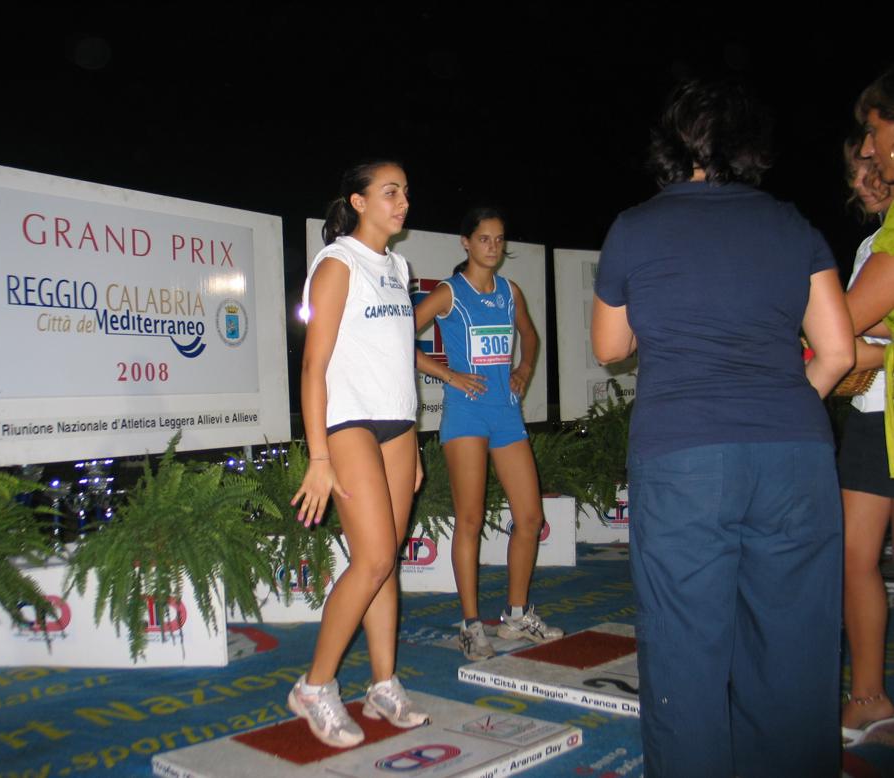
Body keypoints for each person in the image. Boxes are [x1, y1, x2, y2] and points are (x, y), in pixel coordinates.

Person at [590, 80, 853, 776]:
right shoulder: (792, 224)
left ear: (671, 146)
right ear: (749, 146)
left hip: (683, 457)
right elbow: (836, 352)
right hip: (794, 455)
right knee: (794, 644)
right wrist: (780, 403)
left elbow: (609, 347)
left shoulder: (635, 227)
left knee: (685, 646)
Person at [288, 161, 429, 748]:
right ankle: (314, 686)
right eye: (389, 192)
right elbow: (313, 366)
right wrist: (318, 457)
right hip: (348, 422)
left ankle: (382, 684)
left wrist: (415, 444)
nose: (402, 202)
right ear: (359, 201)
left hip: (397, 425)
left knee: (385, 560)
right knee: (371, 560)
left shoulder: (398, 267)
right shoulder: (338, 263)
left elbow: (396, 360)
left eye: (405, 192)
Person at [413, 207, 562, 660]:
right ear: (466, 242)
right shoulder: (449, 292)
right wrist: (449, 375)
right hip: (466, 417)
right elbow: (399, 338)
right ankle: (471, 625)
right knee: (471, 519)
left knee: (530, 518)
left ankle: (516, 616)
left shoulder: (509, 291)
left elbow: (530, 337)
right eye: (483, 239)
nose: (493, 247)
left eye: (499, 239)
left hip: (506, 415)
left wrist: (526, 367)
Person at [843, 67, 894, 733]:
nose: (868, 156)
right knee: (855, 559)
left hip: (882, 414)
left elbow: (845, 329)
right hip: (871, 418)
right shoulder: (871, 243)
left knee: (857, 560)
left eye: (874, 136)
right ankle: (867, 696)